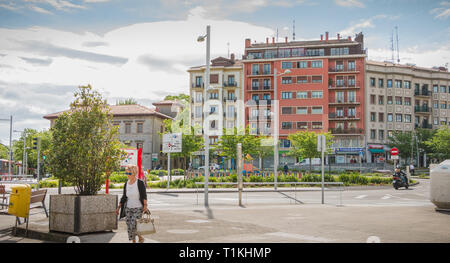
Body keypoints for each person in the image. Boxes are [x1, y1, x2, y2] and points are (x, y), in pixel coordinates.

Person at [116, 165, 149, 243]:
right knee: (129, 225)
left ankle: (140, 237)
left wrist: (145, 206)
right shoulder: (126, 184)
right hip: (128, 208)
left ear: (134, 173)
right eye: (126, 173)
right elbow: (124, 197)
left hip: (138, 208)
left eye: (129, 173)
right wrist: (118, 207)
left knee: (133, 224)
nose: (128, 175)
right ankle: (134, 241)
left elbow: (144, 195)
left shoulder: (140, 183)